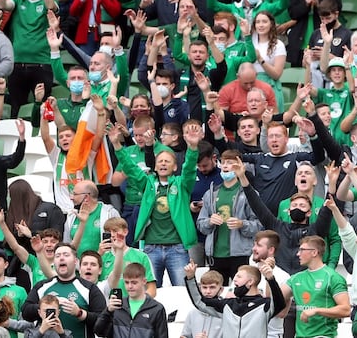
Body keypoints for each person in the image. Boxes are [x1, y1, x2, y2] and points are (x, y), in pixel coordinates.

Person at [110, 121, 201, 287]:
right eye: (160, 161)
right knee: (149, 295)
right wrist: (116, 144)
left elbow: (189, 169)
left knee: (182, 293)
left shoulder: (182, 184)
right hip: (151, 248)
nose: (163, 163)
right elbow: (130, 168)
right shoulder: (147, 184)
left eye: (167, 161)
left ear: (175, 167)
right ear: (155, 166)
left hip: (178, 248)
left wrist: (193, 148)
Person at [196, 149, 261, 282]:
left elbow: (259, 225)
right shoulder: (211, 193)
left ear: (239, 165)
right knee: (215, 292)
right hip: (215, 254)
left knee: (241, 291)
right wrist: (209, 221)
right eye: (223, 162)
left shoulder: (249, 193)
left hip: (240, 253)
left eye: (230, 162)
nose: (225, 165)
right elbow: (201, 224)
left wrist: (242, 224)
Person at [22, 243, 107, 338]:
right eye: (57, 256)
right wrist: (46, 307)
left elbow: (103, 322)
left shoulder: (90, 288)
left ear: (75, 261)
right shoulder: (42, 286)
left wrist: (80, 313)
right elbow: (25, 312)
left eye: (66, 255)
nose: (61, 258)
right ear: (54, 262)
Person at [183, 260, 283, 338]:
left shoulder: (264, 305)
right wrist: (191, 278)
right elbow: (199, 302)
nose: (234, 279)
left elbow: (280, 303)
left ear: (250, 282)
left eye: (239, 276)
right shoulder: (227, 305)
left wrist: (270, 278)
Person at [280, 236, 350, 338]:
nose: (298, 254)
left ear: (314, 252)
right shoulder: (296, 278)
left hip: (323, 336)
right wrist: (270, 277)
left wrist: (317, 310)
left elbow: (346, 310)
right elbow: (277, 297)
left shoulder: (332, 277)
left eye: (302, 250)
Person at [94, 263, 167, 338]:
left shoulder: (156, 308)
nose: (130, 286)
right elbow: (99, 332)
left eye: (134, 282)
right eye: (126, 282)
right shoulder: (117, 306)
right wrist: (108, 311)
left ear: (144, 281)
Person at [179, 271, 223, 338]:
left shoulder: (226, 312)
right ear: (200, 288)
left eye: (212, 287)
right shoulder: (192, 313)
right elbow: (184, 336)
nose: (208, 291)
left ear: (221, 289)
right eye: (204, 287)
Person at [6, 294, 72, 338]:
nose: (48, 314)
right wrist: (41, 331)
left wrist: (62, 334)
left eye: (52, 311)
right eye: (45, 311)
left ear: (58, 312)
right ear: (39, 312)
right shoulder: (30, 331)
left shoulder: (66, 333)